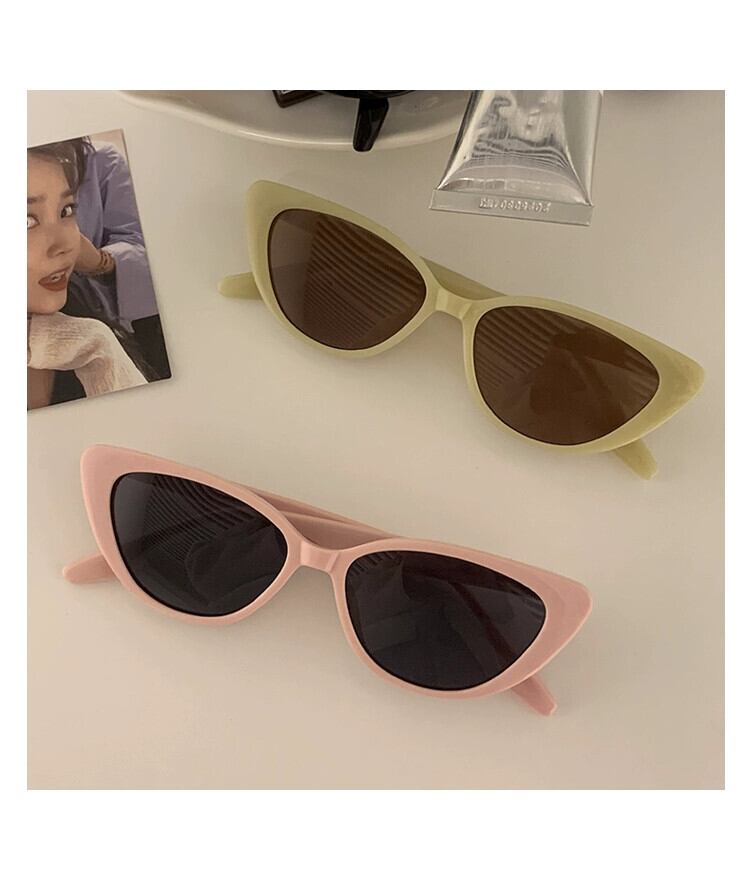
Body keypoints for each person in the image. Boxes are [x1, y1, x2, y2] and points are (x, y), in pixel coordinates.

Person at [27, 138, 146, 410]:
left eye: (66, 210)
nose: (66, 244)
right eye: (26, 220)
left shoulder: (90, 336)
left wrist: (97, 347)